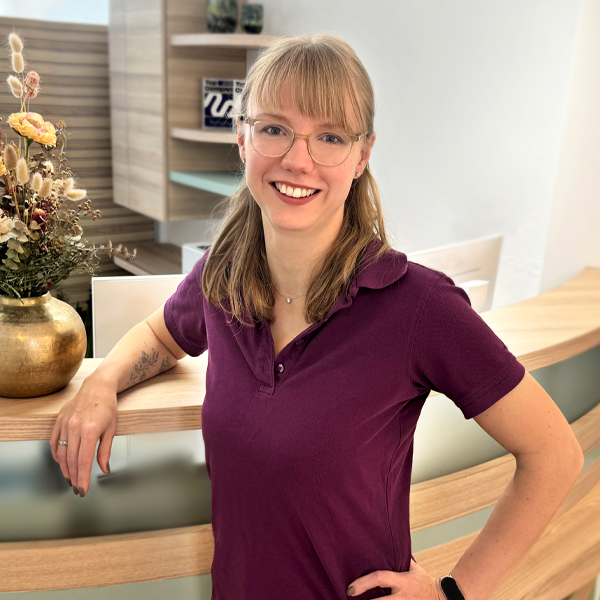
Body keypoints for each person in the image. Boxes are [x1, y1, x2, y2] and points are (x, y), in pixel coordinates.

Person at [50, 33, 584, 600]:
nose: (297, 160)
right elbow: (161, 334)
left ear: (362, 156)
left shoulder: (418, 305)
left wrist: (454, 594)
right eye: (274, 129)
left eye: (330, 137)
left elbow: (554, 454)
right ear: (243, 139)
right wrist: (101, 382)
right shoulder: (222, 276)